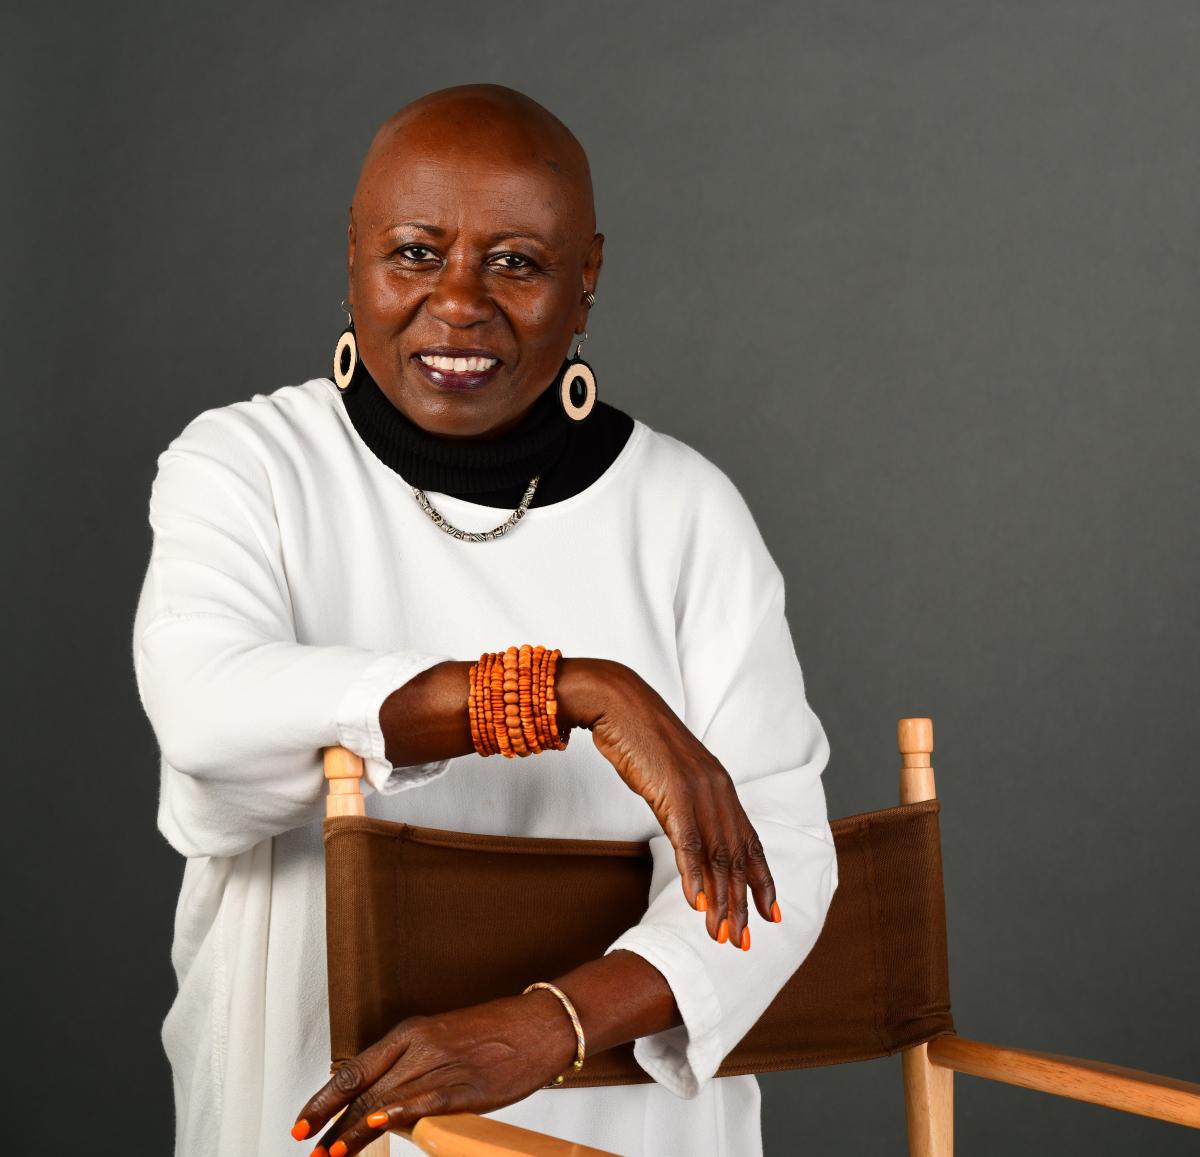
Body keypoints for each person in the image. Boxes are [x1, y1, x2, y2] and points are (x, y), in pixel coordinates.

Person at [132, 83, 838, 1157]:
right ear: (354, 256)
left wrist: (546, 1024)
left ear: (587, 275)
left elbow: (778, 852)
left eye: (516, 261)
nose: (458, 301)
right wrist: (567, 690)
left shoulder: (685, 508)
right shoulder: (247, 467)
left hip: (617, 1117)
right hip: (324, 1101)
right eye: (415, 252)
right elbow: (207, 714)